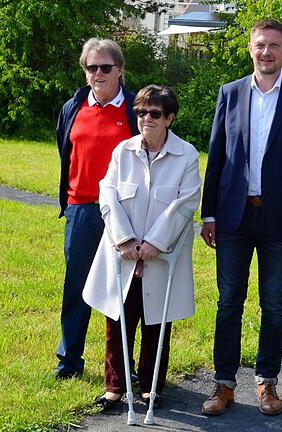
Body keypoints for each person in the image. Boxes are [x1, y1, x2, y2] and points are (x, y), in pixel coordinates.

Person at [199, 19, 282, 417]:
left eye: (273, 45)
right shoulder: (230, 93)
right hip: (233, 217)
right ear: (250, 49)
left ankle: (267, 381)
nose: (265, 52)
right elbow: (216, 156)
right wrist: (210, 213)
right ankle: (224, 384)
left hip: (279, 221)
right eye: (259, 45)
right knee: (228, 302)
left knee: (274, 304)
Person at [82, 85, 201, 410]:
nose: (146, 119)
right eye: (141, 113)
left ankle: (150, 388)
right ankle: (115, 387)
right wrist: (125, 240)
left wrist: (154, 244)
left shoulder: (186, 155)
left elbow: (185, 203)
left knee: (155, 324)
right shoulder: (123, 151)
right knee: (118, 320)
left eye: (155, 113)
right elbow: (108, 194)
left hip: (160, 258)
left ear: (169, 118)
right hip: (123, 254)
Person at [54, 38, 139, 380]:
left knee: (122, 293)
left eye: (106, 67)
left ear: (119, 70)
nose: (99, 73)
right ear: (84, 71)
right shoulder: (72, 108)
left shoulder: (136, 109)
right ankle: (68, 360)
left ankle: (121, 369)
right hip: (82, 211)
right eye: (92, 67)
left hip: (124, 213)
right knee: (76, 288)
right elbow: (66, 154)